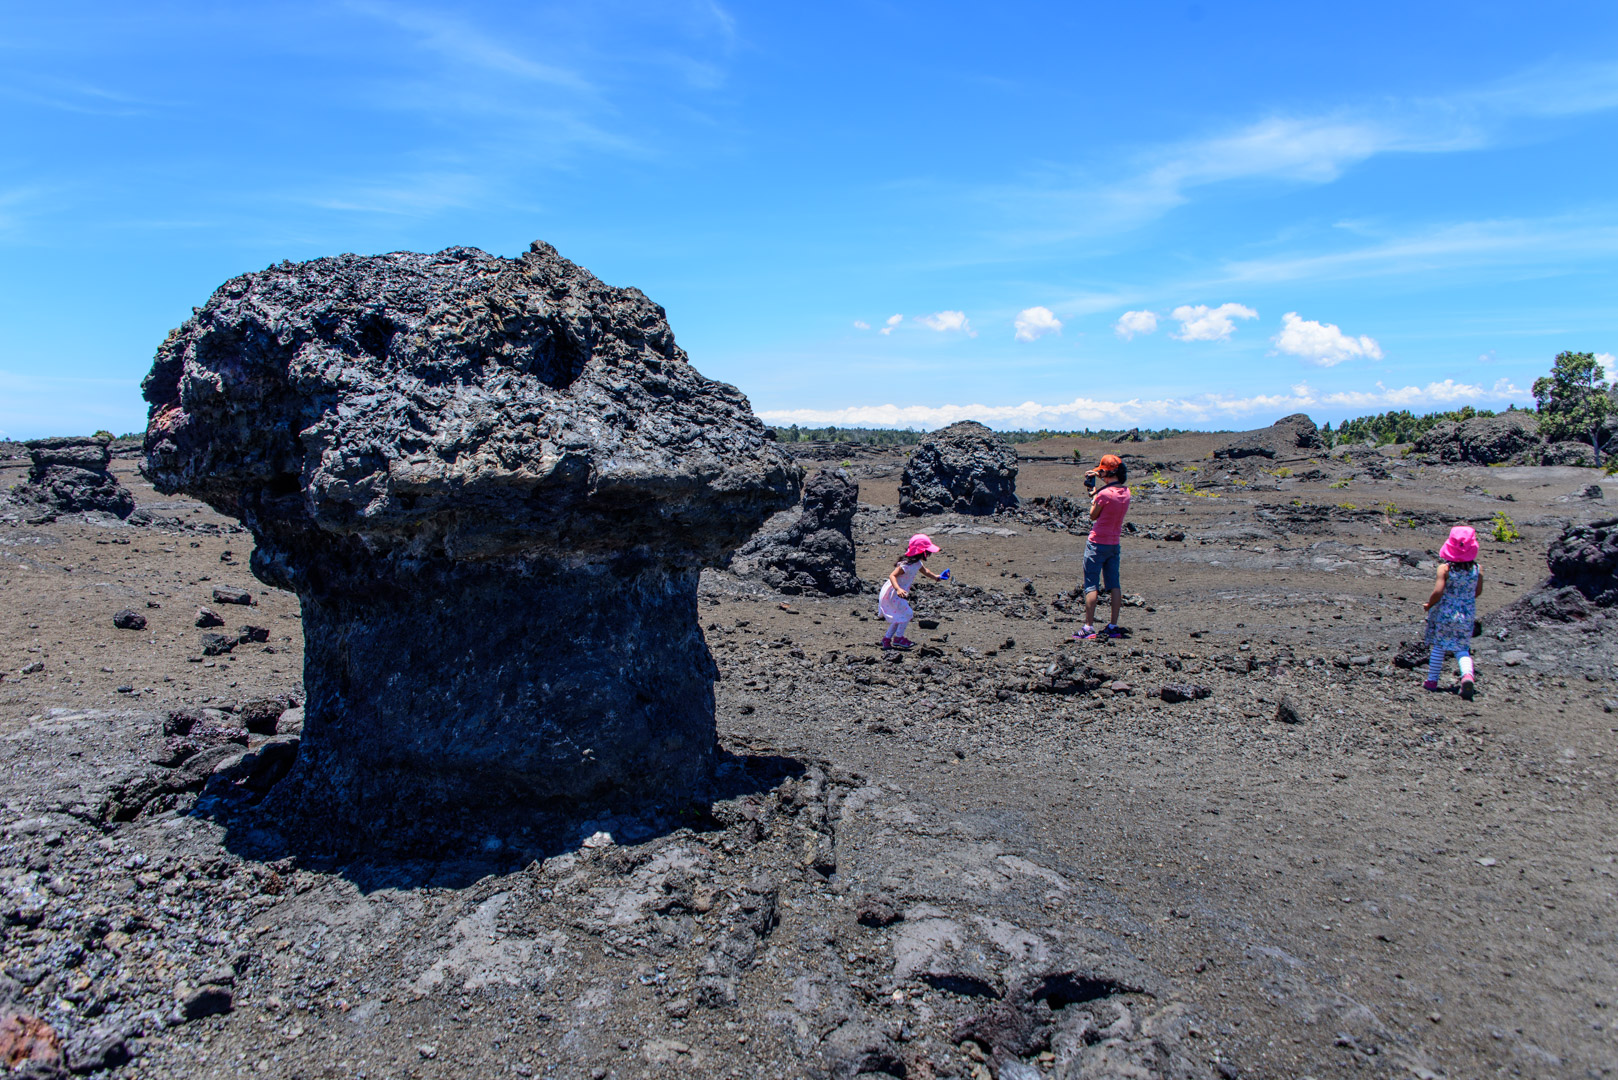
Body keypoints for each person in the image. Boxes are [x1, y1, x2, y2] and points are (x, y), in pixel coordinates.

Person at [1074, 454, 1131, 641]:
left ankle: (1088, 627)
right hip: (1114, 544)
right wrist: (1098, 485)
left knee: (1091, 584)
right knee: (1114, 584)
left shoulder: (1105, 494)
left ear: (1106, 472)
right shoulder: (1126, 492)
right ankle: (1113, 625)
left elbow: (1093, 515)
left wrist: (1094, 494)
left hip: (1097, 543)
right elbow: (1110, 493)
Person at [1423, 525, 1483, 699]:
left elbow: (1438, 591)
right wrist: (1465, 601)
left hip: (1445, 614)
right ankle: (1467, 675)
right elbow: (1477, 592)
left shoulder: (1445, 569)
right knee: (1462, 649)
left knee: (1439, 647)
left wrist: (1429, 604)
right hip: (1466, 614)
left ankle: (1432, 681)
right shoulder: (1477, 569)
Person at [878, 534, 946, 650]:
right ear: (921, 551)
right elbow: (892, 576)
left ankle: (887, 639)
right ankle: (899, 638)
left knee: (900, 617)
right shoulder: (906, 565)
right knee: (908, 613)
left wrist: (936, 577)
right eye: (928, 552)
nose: (929, 554)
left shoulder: (917, 563)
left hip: (901, 593)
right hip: (895, 593)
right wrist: (898, 589)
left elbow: (925, 571)